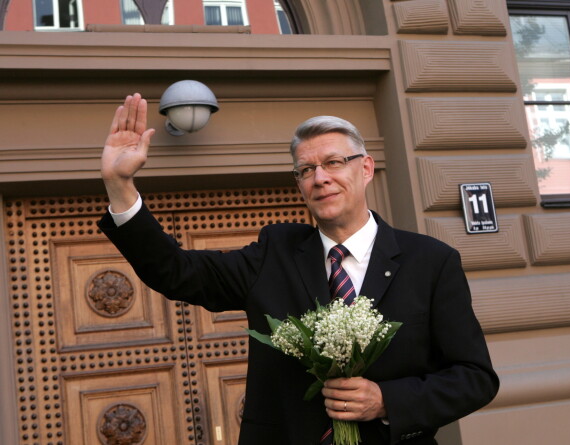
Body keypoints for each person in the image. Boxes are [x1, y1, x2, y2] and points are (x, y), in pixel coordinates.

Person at [98, 93, 499, 444]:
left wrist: (385, 401)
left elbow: (475, 379)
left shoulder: (430, 261)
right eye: (305, 170)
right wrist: (120, 186)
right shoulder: (274, 252)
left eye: (333, 162)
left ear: (365, 169)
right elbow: (176, 271)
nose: (320, 178)